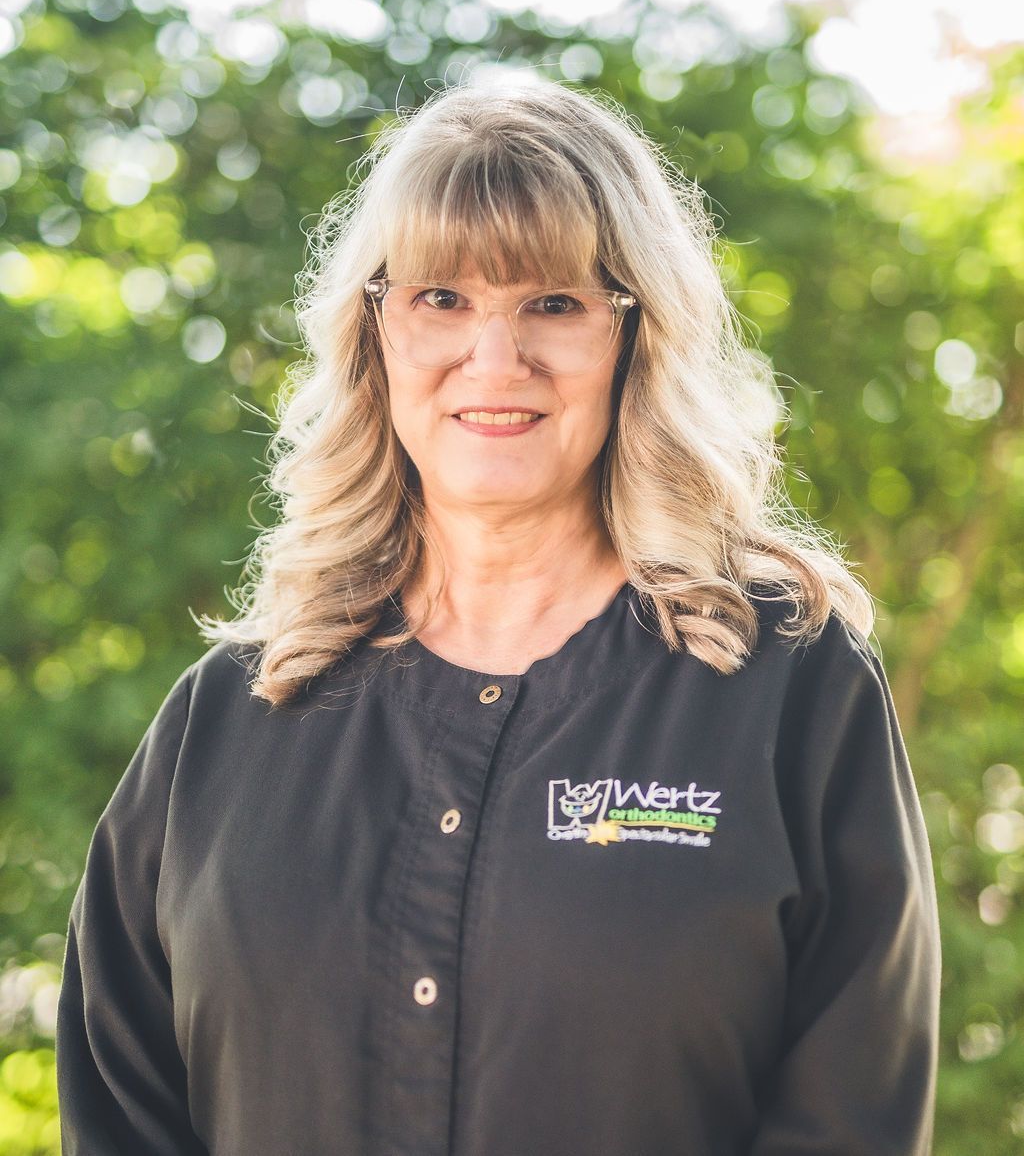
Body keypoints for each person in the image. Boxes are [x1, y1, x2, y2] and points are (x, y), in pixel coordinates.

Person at [55, 76, 942, 1155]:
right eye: (442, 298)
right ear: (374, 331)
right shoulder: (228, 720)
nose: (494, 357)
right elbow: (120, 1107)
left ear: (633, 336)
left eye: (553, 302)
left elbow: (849, 1113)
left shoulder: (784, 684)